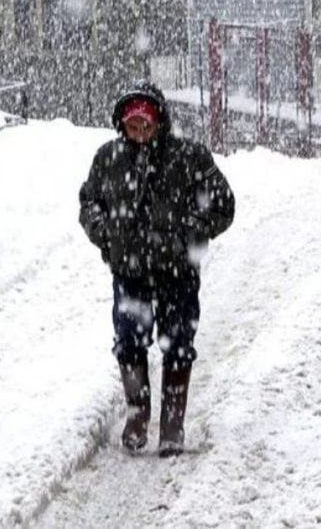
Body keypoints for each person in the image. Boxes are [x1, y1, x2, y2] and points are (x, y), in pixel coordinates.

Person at [78, 81, 235, 455]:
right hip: (129, 272)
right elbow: (89, 204)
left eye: (146, 125)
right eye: (133, 126)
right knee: (129, 342)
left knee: (179, 344)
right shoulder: (108, 159)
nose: (141, 133)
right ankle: (137, 414)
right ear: (122, 125)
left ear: (159, 122)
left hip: (178, 272)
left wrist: (194, 233)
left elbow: (224, 203)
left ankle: (172, 425)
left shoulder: (188, 157)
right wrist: (106, 235)